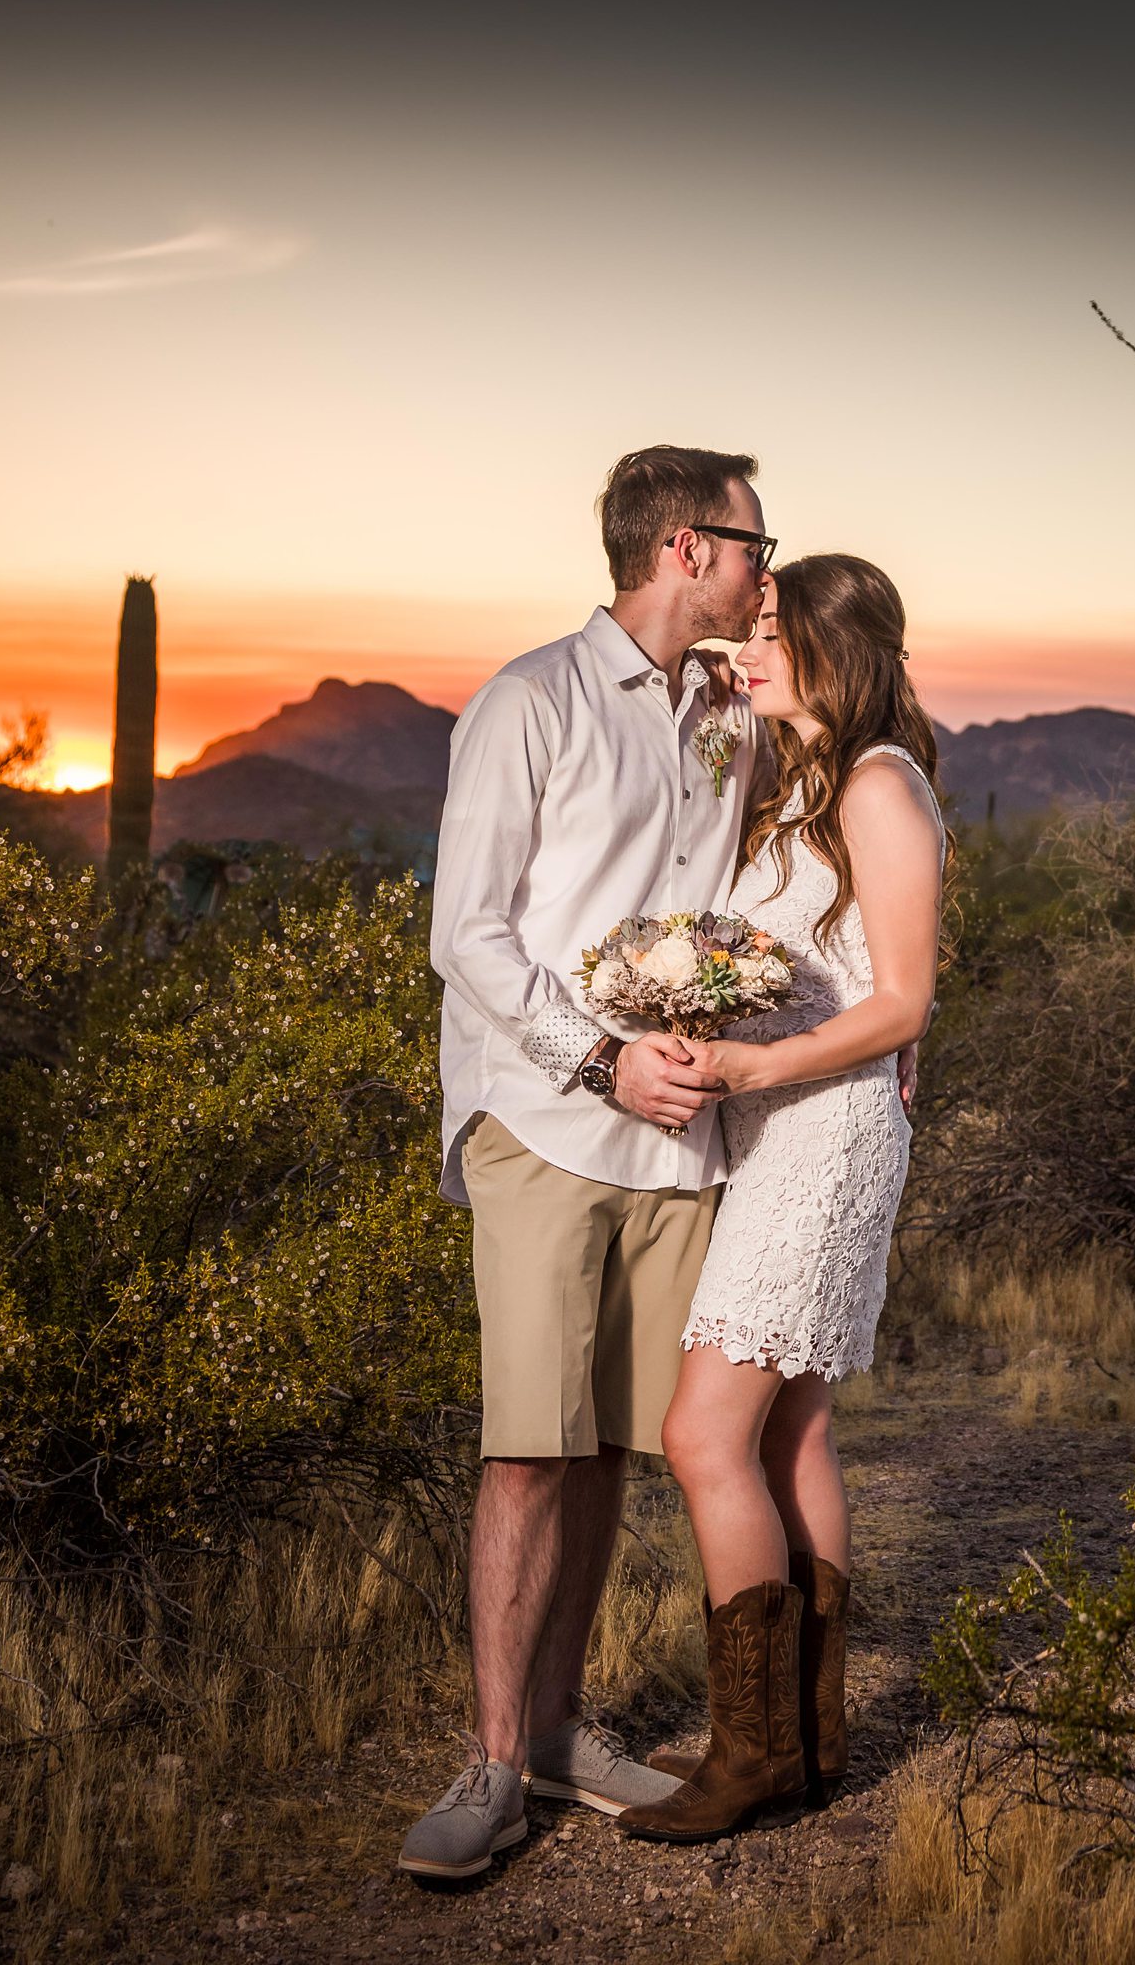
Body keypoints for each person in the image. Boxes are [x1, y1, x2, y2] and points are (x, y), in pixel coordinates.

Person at [398, 445, 776, 1880]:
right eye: (752, 540)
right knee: (528, 1444)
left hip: (678, 1141)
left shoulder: (725, 715)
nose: (763, 566)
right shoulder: (530, 701)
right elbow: (468, 935)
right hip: (551, 1126)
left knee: (615, 1438)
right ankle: (494, 1767)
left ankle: (557, 1736)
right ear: (684, 548)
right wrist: (598, 1058)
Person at [613, 553, 945, 1843]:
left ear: (833, 650)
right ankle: (808, 1742)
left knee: (705, 1434)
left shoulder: (875, 785)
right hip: (775, 1126)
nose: (747, 649)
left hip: (826, 1135)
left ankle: (748, 1752)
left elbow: (904, 999)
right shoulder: (799, 779)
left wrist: (756, 1060)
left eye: (770, 632)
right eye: (745, 630)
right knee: (791, 1432)